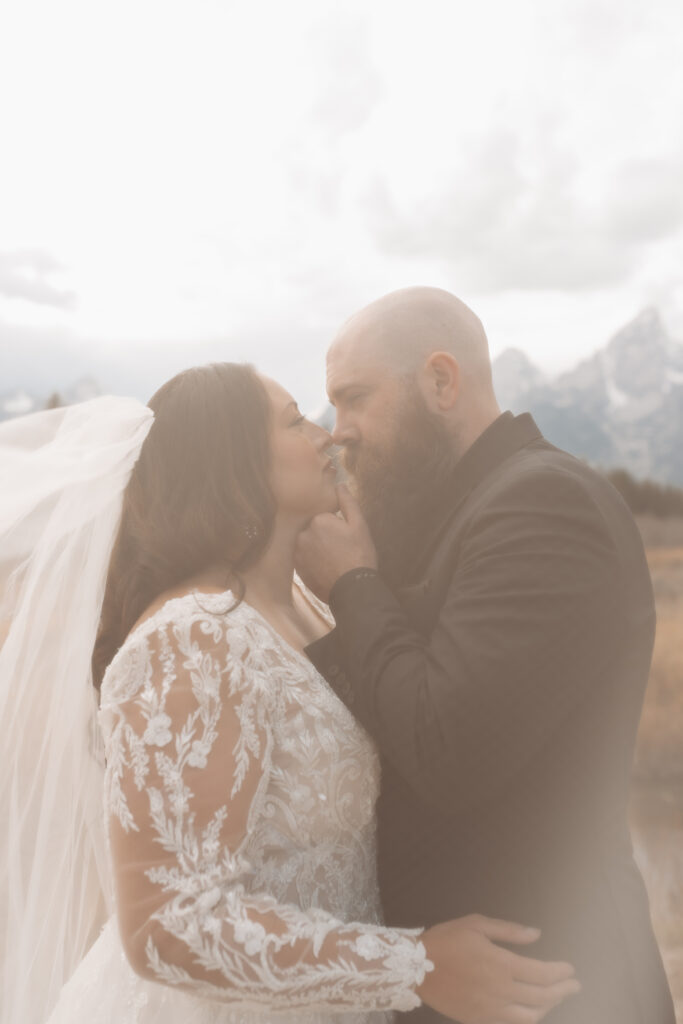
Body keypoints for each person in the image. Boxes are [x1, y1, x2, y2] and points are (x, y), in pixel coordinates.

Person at [0, 362, 580, 1024]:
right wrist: (418, 966)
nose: (327, 435)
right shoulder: (191, 638)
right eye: (294, 419)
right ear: (232, 462)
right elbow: (164, 923)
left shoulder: (313, 610)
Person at [297, 287, 676, 1024]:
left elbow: (448, 747)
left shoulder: (542, 505)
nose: (338, 433)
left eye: (353, 400)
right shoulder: (457, 507)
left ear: (441, 382)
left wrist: (352, 581)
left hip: (553, 988)